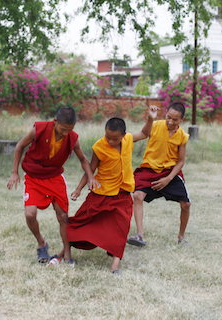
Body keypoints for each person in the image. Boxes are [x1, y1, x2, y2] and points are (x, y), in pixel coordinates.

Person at [48, 106, 159, 273]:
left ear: (123, 135)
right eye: (107, 137)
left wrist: (150, 119)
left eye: (114, 139)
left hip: (122, 193)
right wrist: (79, 188)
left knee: (121, 227)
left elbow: (144, 134)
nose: (110, 141)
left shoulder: (128, 139)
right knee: (81, 222)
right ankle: (63, 252)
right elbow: (90, 170)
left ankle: (115, 266)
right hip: (101, 193)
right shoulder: (99, 147)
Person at [7, 106, 99, 265]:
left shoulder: (72, 138)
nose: (65, 133)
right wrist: (14, 172)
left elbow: (83, 159)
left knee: (63, 216)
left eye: (69, 130)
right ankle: (41, 243)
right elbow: (19, 146)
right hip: (33, 176)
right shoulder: (39, 129)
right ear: (55, 121)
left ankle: (67, 254)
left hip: (55, 177)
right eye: (63, 129)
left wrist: (90, 176)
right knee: (30, 214)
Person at [127, 102, 191, 247]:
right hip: (149, 169)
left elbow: (180, 162)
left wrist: (168, 179)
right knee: (137, 195)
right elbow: (142, 134)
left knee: (186, 204)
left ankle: (181, 237)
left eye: (175, 119)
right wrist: (150, 118)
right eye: (168, 117)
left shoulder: (182, 136)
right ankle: (140, 235)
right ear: (165, 113)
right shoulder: (155, 125)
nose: (170, 121)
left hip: (170, 172)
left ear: (182, 119)